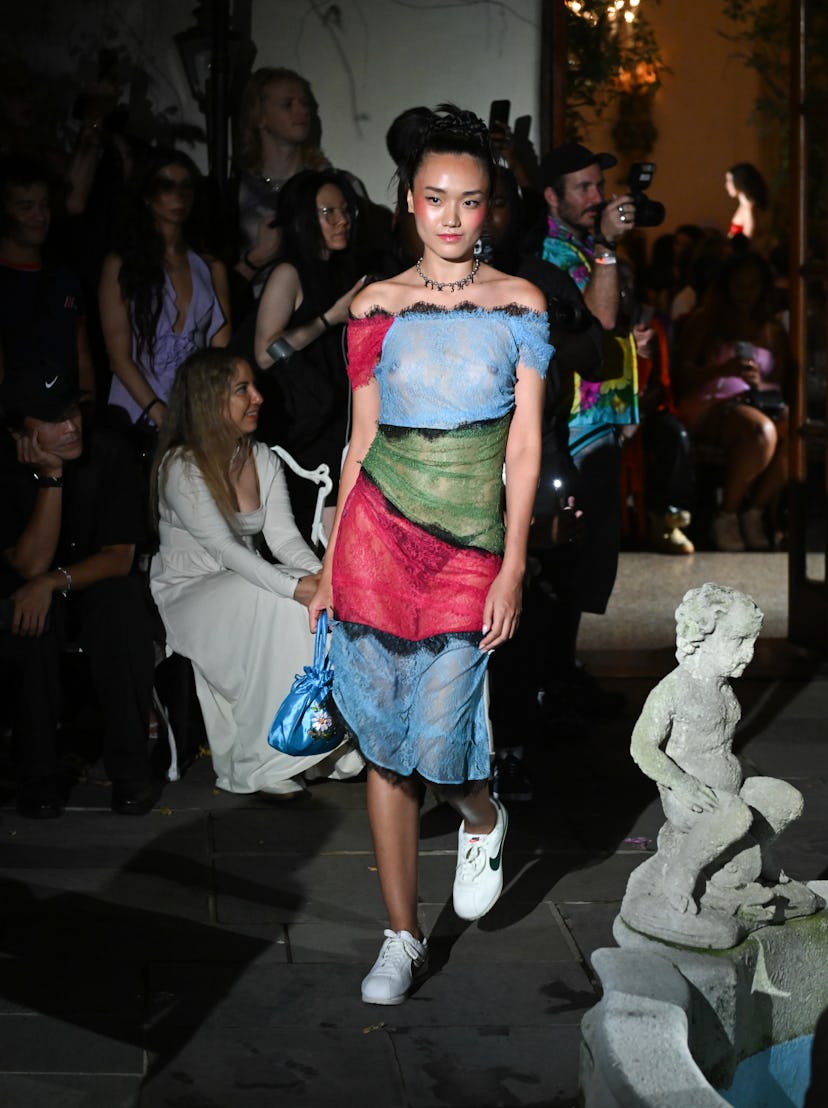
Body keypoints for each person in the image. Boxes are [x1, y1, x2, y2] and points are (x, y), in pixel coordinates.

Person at [308, 105, 551, 1005]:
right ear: (410, 202)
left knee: (442, 743)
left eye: (472, 201)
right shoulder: (375, 304)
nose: (452, 217)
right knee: (383, 746)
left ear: (491, 210)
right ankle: (401, 937)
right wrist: (331, 562)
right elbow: (359, 441)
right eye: (436, 198)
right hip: (375, 535)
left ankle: (482, 815)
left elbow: (522, 450)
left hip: (469, 549)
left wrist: (515, 565)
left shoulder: (519, 304)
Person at [150, 347, 360, 798]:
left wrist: (324, 579)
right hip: (190, 591)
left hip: (242, 579)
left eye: (254, 386)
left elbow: (284, 540)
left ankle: (314, 743)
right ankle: (257, 761)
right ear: (208, 400)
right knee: (276, 599)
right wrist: (294, 586)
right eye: (242, 389)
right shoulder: (181, 467)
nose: (257, 397)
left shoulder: (261, 456)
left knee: (306, 603)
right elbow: (226, 551)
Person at [0, 365, 158, 817]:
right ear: (19, 434)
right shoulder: (6, 468)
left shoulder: (109, 452)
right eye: (52, 421)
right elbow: (29, 564)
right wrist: (51, 479)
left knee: (122, 607)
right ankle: (38, 776)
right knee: (31, 620)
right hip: (29, 591)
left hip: (90, 582)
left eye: (72, 412)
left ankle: (131, 772)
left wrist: (53, 582)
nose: (71, 426)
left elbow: (119, 557)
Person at [623, 583, 819, 945]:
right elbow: (642, 747)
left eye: (752, 642)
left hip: (728, 792)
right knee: (734, 815)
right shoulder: (675, 689)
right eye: (738, 641)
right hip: (690, 799)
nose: (749, 653)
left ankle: (753, 859)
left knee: (786, 798)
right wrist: (681, 782)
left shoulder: (724, 690)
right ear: (702, 636)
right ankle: (681, 873)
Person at [250, 169, 366, 540]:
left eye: (345, 210)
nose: (341, 220)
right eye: (327, 212)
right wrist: (329, 318)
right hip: (301, 427)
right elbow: (267, 351)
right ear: (304, 218)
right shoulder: (289, 272)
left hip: (340, 422)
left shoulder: (343, 269)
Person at [100, 147, 231, 436]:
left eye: (186, 187)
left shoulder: (211, 268)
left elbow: (219, 355)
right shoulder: (120, 266)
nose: (179, 195)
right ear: (147, 195)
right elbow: (119, 357)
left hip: (194, 415)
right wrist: (159, 413)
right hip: (135, 417)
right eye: (166, 186)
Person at [674, 251, 791, 551]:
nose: (746, 294)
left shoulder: (773, 330)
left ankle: (755, 512)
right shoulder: (705, 322)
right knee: (759, 431)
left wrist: (759, 383)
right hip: (712, 403)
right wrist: (721, 370)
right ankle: (726, 514)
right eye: (739, 285)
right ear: (726, 287)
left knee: (794, 431)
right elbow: (680, 376)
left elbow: (781, 381)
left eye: (752, 286)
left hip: (757, 401)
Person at [0, 157, 95, 408]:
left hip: (66, 420)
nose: (39, 216)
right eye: (26, 206)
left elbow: (82, 359)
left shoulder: (64, 277)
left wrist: (86, 411)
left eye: (44, 205)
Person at [725, 162, 768, 244]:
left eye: (730, 181)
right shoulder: (744, 206)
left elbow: (748, 240)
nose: (727, 185)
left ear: (740, 180)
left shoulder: (749, 208)